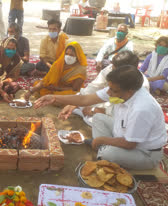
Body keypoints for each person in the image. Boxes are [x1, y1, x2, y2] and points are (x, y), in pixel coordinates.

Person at [35, 65, 167, 170]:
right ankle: (102, 148)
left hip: (144, 153)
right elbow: (85, 98)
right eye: (109, 88)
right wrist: (54, 97)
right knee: (98, 118)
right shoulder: (118, 88)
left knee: (108, 154)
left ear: (130, 91)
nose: (109, 93)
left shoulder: (141, 108)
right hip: (121, 137)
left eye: (113, 91)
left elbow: (130, 143)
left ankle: (103, 151)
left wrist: (101, 139)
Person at [61, 50, 150, 126]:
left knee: (97, 119)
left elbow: (125, 112)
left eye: (115, 70)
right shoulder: (110, 69)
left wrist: (97, 110)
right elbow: (93, 88)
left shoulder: (141, 86)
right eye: (112, 67)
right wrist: (74, 103)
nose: (112, 70)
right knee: (79, 100)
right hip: (107, 102)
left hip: (122, 114)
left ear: (128, 71)